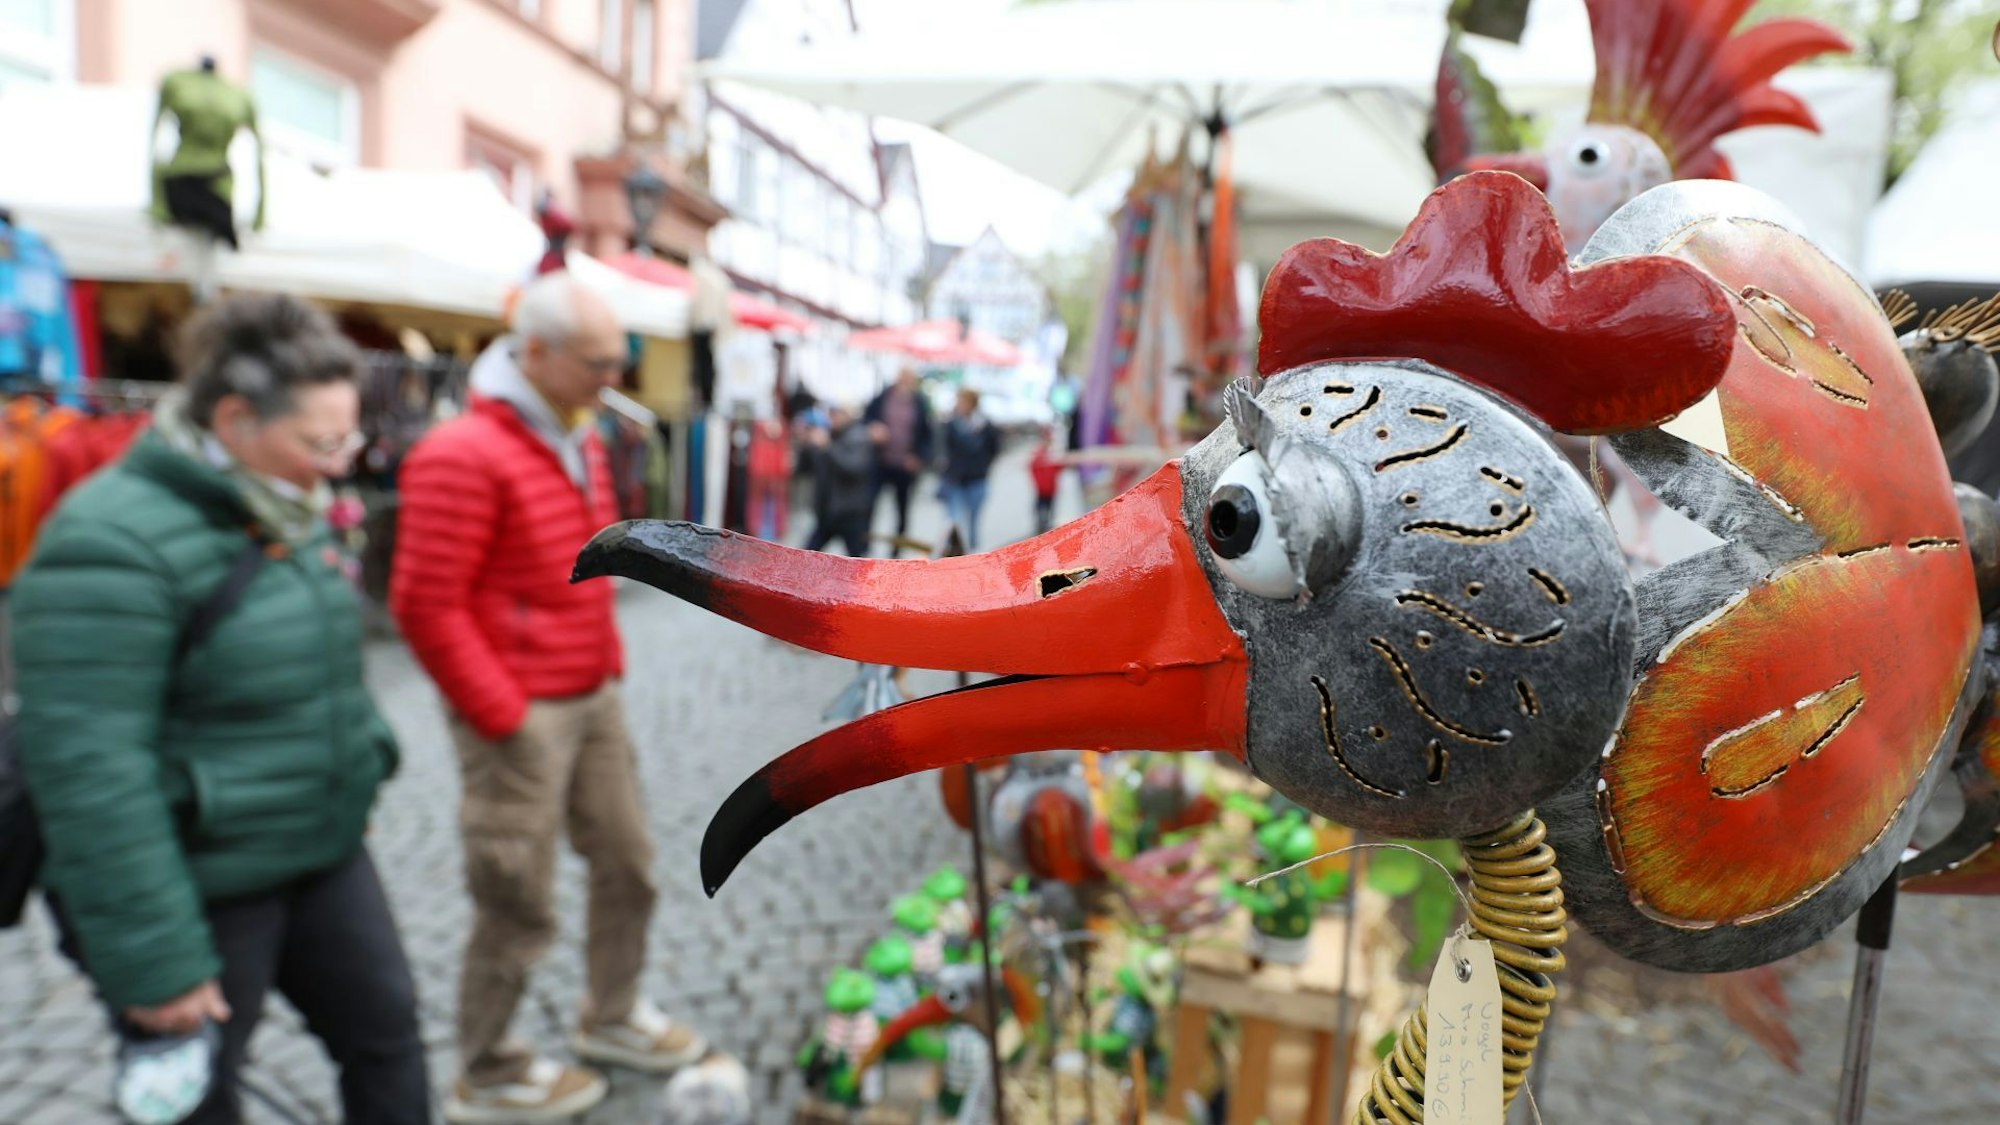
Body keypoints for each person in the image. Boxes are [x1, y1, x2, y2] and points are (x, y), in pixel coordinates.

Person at [12, 292, 427, 1124]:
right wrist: (155, 961)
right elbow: (91, 772)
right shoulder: (109, 540)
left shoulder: (281, 502)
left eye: (349, 437)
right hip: (198, 881)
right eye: (322, 440)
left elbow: (318, 668)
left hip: (320, 852)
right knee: (199, 1103)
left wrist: (358, 765)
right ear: (233, 419)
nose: (342, 462)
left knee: (388, 1044)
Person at [390, 274, 705, 1125]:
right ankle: (488, 1066)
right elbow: (424, 603)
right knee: (516, 896)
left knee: (630, 862)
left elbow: (580, 566)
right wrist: (502, 712)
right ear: (535, 354)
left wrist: (602, 661)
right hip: (521, 709)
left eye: (620, 359)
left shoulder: (577, 431)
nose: (615, 377)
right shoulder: (461, 452)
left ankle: (611, 1013)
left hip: (587, 691)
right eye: (599, 361)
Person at [862, 367, 933, 549]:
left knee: (902, 508)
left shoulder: (919, 402)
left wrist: (918, 457)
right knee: (869, 504)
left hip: (904, 465)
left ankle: (897, 548)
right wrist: (873, 429)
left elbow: (927, 435)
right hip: (881, 461)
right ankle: (864, 545)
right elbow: (866, 419)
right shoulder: (883, 397)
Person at [803, 403, 877, 556]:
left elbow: (853, 469)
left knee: (858, 564)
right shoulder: (830, 433)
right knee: (804, 556)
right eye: (830, 413)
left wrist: (828, 447)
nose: (832, 418)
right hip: (828, 511)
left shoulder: (859, 436)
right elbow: (809, 468)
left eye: (836, 413)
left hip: (851, 513)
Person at [937, 388, 1002, 550]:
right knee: (953, 519)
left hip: (977, 478)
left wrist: (983, 465)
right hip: (955, 478)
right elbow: (943, 447)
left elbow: (994, 448)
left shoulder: (985, 425)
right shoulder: (951, 424)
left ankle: (971, 554)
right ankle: (952, 552)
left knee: (973, 521)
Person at [1028, 425, 1064, 536]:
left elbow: (1058, 468)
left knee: (1049, 509)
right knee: (1041, 509)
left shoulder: (1052, 453)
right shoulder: (1039, 453)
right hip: (1042, 489)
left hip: (1051, 488)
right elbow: (1033, 469)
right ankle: (1041, 527)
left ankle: (1046, 527)